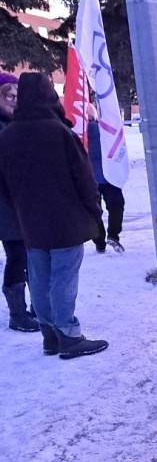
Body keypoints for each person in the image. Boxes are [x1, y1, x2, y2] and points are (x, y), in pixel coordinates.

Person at [0, 72, 107, 358]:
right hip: (66, 221)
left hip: (29, 222)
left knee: (39, 277)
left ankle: (49, 336)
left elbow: (3, 183)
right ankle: (68, 335)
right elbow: (84, 179)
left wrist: (20, 209)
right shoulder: (60, 132)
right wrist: (95, 211)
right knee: (63, 277)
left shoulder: (7, 135)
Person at [0, 73, 38, 332]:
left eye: (17, 96)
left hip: (16, 201)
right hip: (7, 203)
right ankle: (17, 313)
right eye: (9, 95)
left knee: (23, 253)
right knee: (17, 254)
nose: (14, 101)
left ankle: (30, 308)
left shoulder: (12, 124)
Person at [87, 104, 126, 253]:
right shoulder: (103, 130)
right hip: (110, 176)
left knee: (94, 211)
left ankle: (99, 241)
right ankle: (113, 235)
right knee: (116, 206)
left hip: (89, 178)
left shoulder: (77, 134)